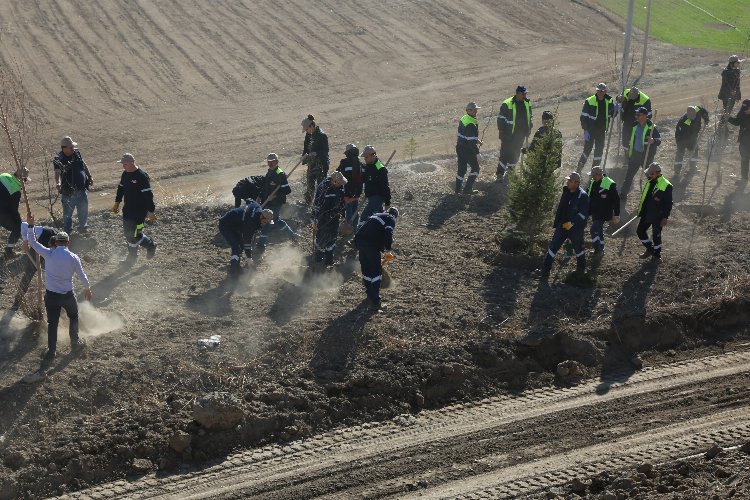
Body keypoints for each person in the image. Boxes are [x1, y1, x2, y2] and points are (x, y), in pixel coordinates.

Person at [26, 214, 92, 360]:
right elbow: (82, 275)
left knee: (52, 323)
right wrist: (87, 288)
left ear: (55, 242)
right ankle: (74, 343)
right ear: (68, 243)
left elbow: (33, 242)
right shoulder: (74, 257)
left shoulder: (49, 254)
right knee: (74, 316)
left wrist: (31, 225)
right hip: (68, 295)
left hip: (52, 297)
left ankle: (51, 351)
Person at [534, 172, 589, 278]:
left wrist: (570, 224)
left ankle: (580, 272)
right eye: (568, 180)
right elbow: (561, 208)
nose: (567, 182)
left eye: (570, 180)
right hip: (562, 226)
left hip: (575, 229)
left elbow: (583, 215)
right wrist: (558, 223)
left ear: (576, 183)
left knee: (579, 250)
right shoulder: (566, 191)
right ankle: (545, 270)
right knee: (553, 247)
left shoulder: (583, 196)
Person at [112, 153, 157, 264]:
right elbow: (121, 188)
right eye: (122, 164)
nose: (123, 166)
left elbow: (148, 195)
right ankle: (132, 258)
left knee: (136, 233)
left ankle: (151, 245)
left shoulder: (141, 176)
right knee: (128, 233)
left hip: (140, 212)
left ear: (132, 163)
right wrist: (117, 202)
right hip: (127, 210)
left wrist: (151, 211)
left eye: (125, 164)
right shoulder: (125, 174)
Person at [354, 207, 398, 310]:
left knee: (366, 270)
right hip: (370, 244)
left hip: (359, 241)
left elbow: (373, 229)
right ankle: (375, 301)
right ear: (395, 215)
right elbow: (388, 232)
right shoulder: (390, 218)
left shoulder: (378, 215)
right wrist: (388, 249)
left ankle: (369, 294)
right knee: (376, 272)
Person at [218, 200, 274, 275]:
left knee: (241, 247)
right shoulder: (251, 223)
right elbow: (247, 241)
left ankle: (235, 263)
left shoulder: (257, 206)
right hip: (226, 225)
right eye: (265, 222)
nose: (265, 224)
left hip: (236, 226)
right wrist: (249, 258)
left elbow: (249, 200)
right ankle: (233, 271)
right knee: (236, 247)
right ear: (261, 217)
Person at [53, 136, 93, 234]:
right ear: (64, 148)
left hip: (81, 189)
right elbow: (57, 172)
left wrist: (89, 176)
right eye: (70, 147)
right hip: (68, 192)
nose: (72, 148)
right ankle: (68, 232)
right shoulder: (59, 159)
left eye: (72, 146)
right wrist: (58, 183)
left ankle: (83, 228)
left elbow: (83, 164)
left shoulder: (76, 153)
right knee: (67, 213)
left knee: (83, 210)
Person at [257, 153, 297, 249]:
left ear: (277, 161)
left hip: (276, 203)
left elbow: (287, 190)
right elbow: (265, 187)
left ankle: (262, 244)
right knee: (276, 220)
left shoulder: (280, 174)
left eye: (272, 161)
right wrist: (259, 196)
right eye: (269, 161)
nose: (270, 163)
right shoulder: (269, 172)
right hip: (268, 201)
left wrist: (274, 196)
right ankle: (291, 235)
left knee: (268, 221)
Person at [636, 162, 672, 259]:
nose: (649, 175)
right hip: (647, 213)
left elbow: (668, 203)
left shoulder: (667, 185)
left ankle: (656, 255)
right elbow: (645, 197)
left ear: (657, 173)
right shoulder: (650, 181)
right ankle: (650, 249)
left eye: (651, 173)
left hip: (658, 215)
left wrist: (665, 217)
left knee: (656, 235)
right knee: (640, 231)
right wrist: (641, 210)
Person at [496, 85, 532, 181]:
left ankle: (511, 172)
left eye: (525, 94)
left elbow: (530, 117)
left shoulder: (527, 103)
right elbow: (500, 119)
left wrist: (529, 129)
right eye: (523, 94)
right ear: (518, 94)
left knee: (515, 154)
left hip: (520, 135)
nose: (525, 96)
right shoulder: (507, 103)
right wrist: (501, 131)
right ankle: (500, 174)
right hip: (508, 134)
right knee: (505, 154)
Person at [578, 83, 617, 171]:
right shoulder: (589, 100)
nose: (599, 92)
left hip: (602, 130)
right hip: (590, 130)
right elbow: (583, 117)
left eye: (602, 91)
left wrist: (615, 110)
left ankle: (594, 171)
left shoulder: (609, 100)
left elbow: (612, 115)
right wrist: (585, 130)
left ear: (605, 91)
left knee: (599, 151)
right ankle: (579, 168)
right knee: (587, 150)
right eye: (598, 90)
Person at [623, 106, 661, 195]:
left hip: (647, 156)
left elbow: (659, 140)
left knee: (651, 177)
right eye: (636, 114)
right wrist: (629, 150)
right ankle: (623, 194)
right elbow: (631, 139)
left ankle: (656, 194)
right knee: (629, 176)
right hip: (635, 155)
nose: (636, 116)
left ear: (644, 116)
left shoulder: (651, 127)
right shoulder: (634, 126)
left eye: (638, 115)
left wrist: (653, 140)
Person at [312, 171, 347, 266]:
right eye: (340, 183)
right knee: (321, 238)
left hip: (335, 217)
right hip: (323, 218)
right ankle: (319, 258)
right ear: (334, 181)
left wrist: (343, 213)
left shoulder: (340, 187)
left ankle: (329, 260)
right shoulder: (323, 188)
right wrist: (314, 218)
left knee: (332, 238)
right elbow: (316, 205)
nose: (341, 185)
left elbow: (342, 202)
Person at [586, 166, 620, 257]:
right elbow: (588, 195)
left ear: (599, 175)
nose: (592, 177)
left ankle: (598, 250)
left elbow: (616, 200)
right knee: (599, 231)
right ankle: (600, 249)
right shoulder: (593, 181)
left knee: (594, 229)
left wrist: (616, 214)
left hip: (604, 213)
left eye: (593, 175)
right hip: (595, 212)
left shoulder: (610, 183)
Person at [0, 168, 28, 259]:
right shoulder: (16, 190)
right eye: (25, 180)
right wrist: (19, 222)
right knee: (17, 227)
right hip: (2, 213)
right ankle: (9, 252)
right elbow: (13, 210)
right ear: (22, 179)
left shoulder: (4, 175)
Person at [455, 102, 482, 194]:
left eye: (476, 109)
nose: (476, 111)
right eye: (474, 110)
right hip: (467, 149)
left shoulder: (464, 118)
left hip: (459, 147)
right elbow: (470, 142)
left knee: (461, 170)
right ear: (468, 110)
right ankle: (467, 190)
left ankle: (457, 191)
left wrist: (476, 140)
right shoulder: (470, 123)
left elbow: (466, 135)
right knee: (475, 168)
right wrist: (477, 154)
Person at [302, 114, 330, 204]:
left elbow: (326, 150)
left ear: (312, 126)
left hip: (321, 163)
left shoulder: (322, 135)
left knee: (320, 185)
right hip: (312, 163)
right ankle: (308, 203)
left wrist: (316, 153)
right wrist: (304, 156)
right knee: (310, 183)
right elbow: (306, 148)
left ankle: (320, 203)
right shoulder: (308, 135)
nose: (306, 131)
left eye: (306, 129)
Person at [360, 145, 391, 222]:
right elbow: (365, 179)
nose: (364, 158)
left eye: (366, 157)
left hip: (377, 197)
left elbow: (385, 185)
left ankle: (361, 232)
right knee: (379, 218)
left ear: (372, 156)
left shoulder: (380, 168)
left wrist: (387, 202)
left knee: (364, 217)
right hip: (370, 196)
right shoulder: (368, 166)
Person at [674, 105, 710, 173]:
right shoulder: (685, 121)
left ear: (695, 113)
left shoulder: (697, 109)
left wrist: (706, 119)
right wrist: (690, 147)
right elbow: (686, 135)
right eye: (691, 117)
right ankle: (677, 170)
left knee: (694, 151)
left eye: (694, 116)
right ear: (687, 115)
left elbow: (703, 111)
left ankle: (693, 167)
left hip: (692, 136)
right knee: (680, 153)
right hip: (682, 138)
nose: (692, 118)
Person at [337, 144, 365, 230]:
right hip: (358, 190)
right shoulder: (361, 164)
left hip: (347, 189)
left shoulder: (344, 162)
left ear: (348, 153)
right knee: (355, 208)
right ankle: (355, 227)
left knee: (348, 208)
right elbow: (364, 177)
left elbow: (337, 173)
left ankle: (348, 228)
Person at [618, 86, 652, 151]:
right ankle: (626, 153)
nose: (632, 99)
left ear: (638, 95)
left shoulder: (645, 100)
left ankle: (634, 155)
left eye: (633, 98)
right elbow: (618, 99)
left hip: (638, 124)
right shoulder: (626, 92)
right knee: (625, 139)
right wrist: (619, 98)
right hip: (627, 120)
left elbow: (649, 115)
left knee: (634, 140)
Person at [728, 99, 750, 181]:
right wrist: (729, 118)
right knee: (744, 160)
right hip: (744, 141)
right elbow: (737, 122)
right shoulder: (742, 111)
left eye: (747, 109)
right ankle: (744, 178)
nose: (745, 111)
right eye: (744, 109)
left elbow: (746, 124)